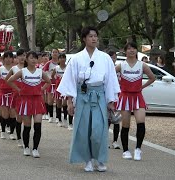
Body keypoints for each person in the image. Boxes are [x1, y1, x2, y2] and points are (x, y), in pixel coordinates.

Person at [57, 26, 120, 172]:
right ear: (84, 39)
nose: (94, 38)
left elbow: (111, 80)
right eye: (90, 36)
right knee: (84, 130)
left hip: (99, 95)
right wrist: (70, 102)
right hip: (83, 96)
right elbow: (70, 80)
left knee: (99, 130)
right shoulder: (76, 58)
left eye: (95, 36)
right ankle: (88, 160)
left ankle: (100, 159)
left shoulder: (105, 58)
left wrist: (111, 101)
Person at [115, 42, 155, 161]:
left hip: (138, 96)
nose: (131, 51)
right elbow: (110, 76)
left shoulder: (142, 65)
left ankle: (138, 149)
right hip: (125, 96)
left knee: (141, 122)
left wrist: (142, 87)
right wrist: (117, 87)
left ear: (137, 51)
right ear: (125, 51)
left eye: (134, 48)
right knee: (126, 124)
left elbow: (152, 77)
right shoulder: (121, 65)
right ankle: (126, 150)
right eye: (129, 49)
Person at [7, 51, 51, 158]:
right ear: (27, 59)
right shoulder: (22, 71)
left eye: (35, 58)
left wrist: (41, 89)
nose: (33, 60)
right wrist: (18, 89)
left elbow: (48, 81)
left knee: (38, 125)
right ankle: (26, 147)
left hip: (37, 101)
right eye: (31, 58)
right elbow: (9, 80)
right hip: (25, 101)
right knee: (27, 126)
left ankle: (35, 148)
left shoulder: (40, 72)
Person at [107, 50, 121, 149]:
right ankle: (105, 140)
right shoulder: (105, 69)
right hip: (107, 96)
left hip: (117, 95)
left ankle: (115, 141)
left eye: (114, 57)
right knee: (106, 120)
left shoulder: (118, 69)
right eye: (111, 57)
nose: (113, 59)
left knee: (116, 120)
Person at [43, 49, 60, 123]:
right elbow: (43, 72)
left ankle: (58, 117)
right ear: (51, 54)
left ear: (58, 54)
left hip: (59, 83)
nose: (55, 54)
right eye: (53, 52)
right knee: (50, 100)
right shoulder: (48, 63)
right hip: (51, 83)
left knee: (58, 100)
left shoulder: (60, 63)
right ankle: (50, 116)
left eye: (56, 52)